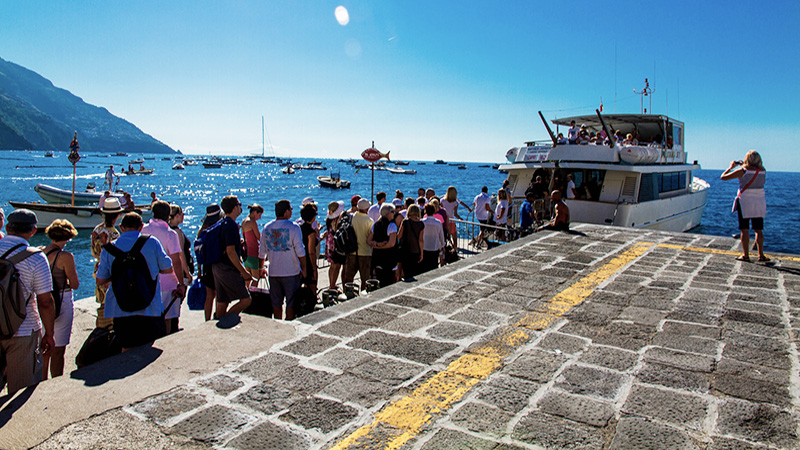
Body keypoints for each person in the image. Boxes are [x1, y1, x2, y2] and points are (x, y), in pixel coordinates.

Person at [95, 213, 173, 351]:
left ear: (121, 227)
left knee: (126, 348)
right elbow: (167, 269)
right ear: (141, 226)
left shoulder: (109, 249)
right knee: (148, 348)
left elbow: (100, 279)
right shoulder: (152, 242)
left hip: (120, 309)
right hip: (150, 307)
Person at [0, 209, 55, 394]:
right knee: (20, 391)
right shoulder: (36, 257)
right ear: (33, 231)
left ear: (7, 227)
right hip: (24, 330)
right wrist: (49, 334)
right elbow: (45, 301)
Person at [42, 219, 79, 380]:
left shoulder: (41, 252)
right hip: (62, 301)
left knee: (44, 347)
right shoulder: (65, 257)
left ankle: (41, 379)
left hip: (43, 301)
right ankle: (57, 380)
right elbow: (75, 284)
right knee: (59, 349)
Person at [142, 201, 186, 334]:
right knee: (167, 318)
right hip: (167, 282)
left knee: (149, 316)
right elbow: (176, 262)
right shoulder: (170, 234)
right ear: (168, 216)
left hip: (147, 280)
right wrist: (181, 283)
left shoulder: (143, 230)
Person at [259, 199, 306, 320]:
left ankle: (278, 324)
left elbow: (262, 252)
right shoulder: (294, 227)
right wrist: (304, 268)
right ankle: (289, 323)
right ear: (286, 212)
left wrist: (261, 268)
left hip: (273, 271)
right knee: (291, 302)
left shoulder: (267, 228)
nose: (291, 211)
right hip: (291, 271)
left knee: (276, 302)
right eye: (290, 209)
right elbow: (300, 251)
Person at [721, 150, 767, 262]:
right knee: (758, 230)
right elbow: (753, 171)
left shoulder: (742, 171)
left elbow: (723, 177)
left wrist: (731, 167)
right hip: (759, 202)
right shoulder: (763, 171)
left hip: (745, 202)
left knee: (744, 230)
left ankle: (746, 255)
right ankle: (761, 255)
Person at [212, 195, 252, 319]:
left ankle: (218, 322)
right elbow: (230, 252)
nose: (241, 208)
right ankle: (225, 319)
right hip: (227, 268)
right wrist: (243, 271)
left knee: (222, 301)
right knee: (246, 299)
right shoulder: (231, 225)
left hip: (217, 266)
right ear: (235, 207)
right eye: (239, 205)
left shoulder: (222, 223)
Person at [91, 197, 122, 329]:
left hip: (98, 269)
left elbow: (93, 251)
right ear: (118, 215)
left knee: (102, 304)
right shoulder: (114, 234)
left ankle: (101, 329)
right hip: (111, 271)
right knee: (112, 303)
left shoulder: (96, 230)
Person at [342, 198, 373, 291]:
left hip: (352, 251)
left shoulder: (351, 217)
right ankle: (364, 294)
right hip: (365, 252)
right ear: (367, 209)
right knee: (365, 278)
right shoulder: (369, 220)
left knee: (349, 277)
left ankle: (348, 293)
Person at [199, 204, 223, 321]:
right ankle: (218, 315)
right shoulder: (219, 229)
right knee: (219, 295)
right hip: (218, 264)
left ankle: (207, 319)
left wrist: (199, 271)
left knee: (209, 296)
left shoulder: (202, 231)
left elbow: (199, 252)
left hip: (206, 266)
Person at [367, 204, 398, 288]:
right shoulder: (392, 226)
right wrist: (380, 246)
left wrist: (376, 245)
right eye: (392, 212)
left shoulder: (375, 225)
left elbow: (369, 241)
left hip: (377, 258)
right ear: (387, 214)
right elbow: (392, 243)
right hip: (389, 259)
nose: (394, 214)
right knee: (389, 282)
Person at [168, 205, 194, 289]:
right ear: (177, 216)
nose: (183, 216)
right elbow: (181, 253)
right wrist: (187, 272)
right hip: (180, 268)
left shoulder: (168, 230)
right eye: (182, 214)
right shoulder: (177, 232)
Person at [322, 201, 346, 290]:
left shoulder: (329, 219)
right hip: (336, 243)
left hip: (329, 241)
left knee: (332, 265)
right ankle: (332, 285)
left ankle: (331, 283)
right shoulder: (337, 220)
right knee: (337, 265)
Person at [397, 204, 424, 280]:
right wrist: (421, 253)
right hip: (415, 250)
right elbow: (421, 240)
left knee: (406, 271)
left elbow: (399, 235)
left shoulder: (405, 222)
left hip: (405, 249)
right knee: (414, 271)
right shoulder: (421, 224)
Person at [441, 186, 472, 250]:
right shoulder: (455, 202)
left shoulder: (442, 201)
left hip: (444, 221)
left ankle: (444, 250)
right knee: (454, 237)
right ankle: (455, 249)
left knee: (445, 237)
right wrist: (460, 218)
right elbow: (455, 214)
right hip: (451, 221)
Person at [241, 204, 264, 286]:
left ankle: (247, 295)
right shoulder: (252, 222)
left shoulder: (244, 221)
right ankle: (253, 296)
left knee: (248, 278)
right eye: (259, 215)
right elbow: (259, 237)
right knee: (255, 278)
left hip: (246, 253)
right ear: (255, 212)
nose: (260, 217)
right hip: (253, 253)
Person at [299, 203, 319, 294]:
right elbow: (311, 251)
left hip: (300, 259)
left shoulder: (299, 229)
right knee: (312, 286)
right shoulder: (311, 232)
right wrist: (314, 267)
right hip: (308, 261)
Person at [421, 203, 446, 273]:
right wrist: (443, 245)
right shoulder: (438, 223)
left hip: (424, 247)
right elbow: (441, 236)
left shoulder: (422, 222)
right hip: (434, 247)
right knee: (434, 267)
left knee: (424, 268)